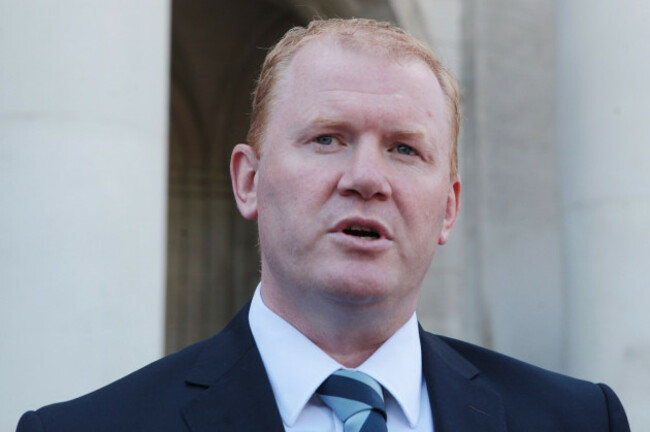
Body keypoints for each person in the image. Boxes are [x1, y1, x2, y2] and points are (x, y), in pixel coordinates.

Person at [17, 18, 629, 432]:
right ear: (248, 181)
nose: (366, 178)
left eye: (404, 149)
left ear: (448, 207)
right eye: (327, 139)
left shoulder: (579, 420)